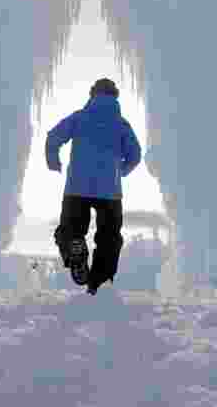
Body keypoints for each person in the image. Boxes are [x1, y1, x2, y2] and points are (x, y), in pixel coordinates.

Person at [46, 78, 142, 295]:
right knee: (110, 239)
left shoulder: (79, 118)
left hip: (77, 187)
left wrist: (54, 161)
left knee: (70, 230)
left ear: (92, 95)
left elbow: (53, 137)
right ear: (115, 97)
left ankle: (75, 250)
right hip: (110, 191)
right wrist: (120, 172)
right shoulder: (121, 124)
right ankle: (97, 286)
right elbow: (135, 154)